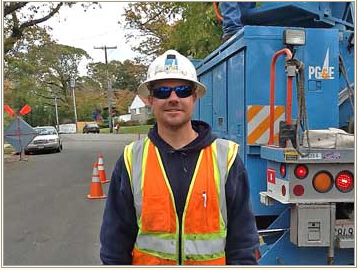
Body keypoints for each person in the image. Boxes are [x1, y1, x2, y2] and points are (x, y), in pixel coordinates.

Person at [100, 50, 259, 265]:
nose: (173, 98)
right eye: (163, 91)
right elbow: (114, 243)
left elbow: (243, 242)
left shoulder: (226, 158)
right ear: (150, 100)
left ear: (194, 97)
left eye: (182, 90)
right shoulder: (132, 159)